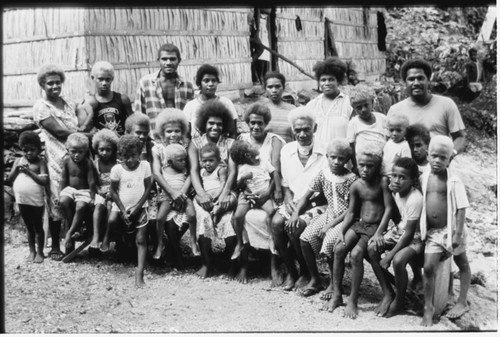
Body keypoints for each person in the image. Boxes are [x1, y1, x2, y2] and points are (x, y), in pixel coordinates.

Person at [327, 144, 393, 319]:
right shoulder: (357, 185)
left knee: (356, 254)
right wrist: (342, 230)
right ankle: (337, 295)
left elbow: (388, 209)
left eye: (370, 166)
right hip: (360, 224)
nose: (365, 169)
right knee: (339, 249)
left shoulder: (383, 183)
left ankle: (353, 300)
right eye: (362, 165)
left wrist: (379, 232)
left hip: (374, 227)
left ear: (377, 166)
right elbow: (351, 212)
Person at [32, 64, 87, 261]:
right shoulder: (41, 107)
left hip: (76, 158)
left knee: (78, 195)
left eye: (57, 82)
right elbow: (60, 132)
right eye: (50, 83)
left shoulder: (68, 102)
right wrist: (86, 135)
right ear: (42, 84)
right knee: (56, 198)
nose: (55, 86)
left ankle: (73, 238)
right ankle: (55, 245)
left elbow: (83, 118)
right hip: (55, 159)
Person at [271, 106, 328, 291]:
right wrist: (288, 201)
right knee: (277, 223)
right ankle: (291, 271)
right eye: (298, 130)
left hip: (318, 203)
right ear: (292, 130)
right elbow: (286, 185)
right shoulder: (287, 150)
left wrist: (300, 207)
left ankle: (306, 272)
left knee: (295, 226)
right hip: (294, 202)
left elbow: (325, 190)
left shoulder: (325, 152)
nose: (302, 134)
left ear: (315, 128)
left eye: (306, 129)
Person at [420, 135, 471, 326]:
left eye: (443, 157)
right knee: (429, 266)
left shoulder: (454, 181)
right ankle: (428, 306)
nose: (437, 161)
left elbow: (461, 208)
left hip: (452, 230)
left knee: (462, 262)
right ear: (427, 155)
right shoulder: (424, 177)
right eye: (434, 156)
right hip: (434, 233)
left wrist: (457, 234)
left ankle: (462, 300)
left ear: (450, 159)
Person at [297, 139, 357, 298]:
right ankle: (315, 279)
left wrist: (330, 225)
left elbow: (352, 209)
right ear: (327, 156)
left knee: (330, 241)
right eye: (333, 157)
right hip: (329, 213)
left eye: (341, 158)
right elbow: (306, 195)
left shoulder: (352, 179)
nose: (336, 162)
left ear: (347, 160)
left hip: (345, 219)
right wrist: (296, 213)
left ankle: (333, 283)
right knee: (305, 238)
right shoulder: (323, 174)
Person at [367, 157, 424, 318]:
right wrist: (381, 233)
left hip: (415, 237)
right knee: (371, 249)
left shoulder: (415, 199)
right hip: (399, 230)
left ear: (413, 180)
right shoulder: (395, 191)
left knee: (398, 260)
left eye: (403, 177)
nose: (397, 180)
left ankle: (399, 301)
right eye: (394, 175)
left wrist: (389, 257)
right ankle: (388, 292)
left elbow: (409, 234)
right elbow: (394, 214)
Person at [188, 100, 238, 278]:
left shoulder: (231, 143)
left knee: (228, 219)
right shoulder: (196, 143)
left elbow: (232, 172)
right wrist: (201, 195)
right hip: (203, 191)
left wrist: (224, 195)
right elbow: (193, 171)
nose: (215, 127)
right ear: (203, 123)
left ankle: (233, 263)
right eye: (211, 123)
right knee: (202, 218)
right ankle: (207, 262)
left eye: (219, 123)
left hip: (226, 190)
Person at [237, 102, 285, 284]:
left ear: (266, 123)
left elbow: (276, 170)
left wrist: (270, 193)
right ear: (247, 123)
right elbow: (236, 170)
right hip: (247, 190)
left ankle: (274, 266)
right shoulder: (241, 140)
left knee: (272, 218)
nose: (256, 126)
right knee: (239, 216)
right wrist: (244, 190)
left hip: (269, 189)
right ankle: (243, 265)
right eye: (252, 123)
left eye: (260, 123)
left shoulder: (274, 140)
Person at [387, 59, 467, 160]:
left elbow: (460, 137)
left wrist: (451, 154)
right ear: (405, 82)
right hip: (407, 168)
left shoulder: (446, 104)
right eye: (411, 79)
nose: (416, 83)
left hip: (437, 165)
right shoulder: (395, 111)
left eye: (420, 78)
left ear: (428, 80)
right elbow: (388, 140)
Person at [108, 135, 153, 288]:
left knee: (141, 239)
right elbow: (113, 191)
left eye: (133, 155)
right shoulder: (117, 169)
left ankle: (139, 272)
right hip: (121, 206)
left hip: (140, 206)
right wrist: (122, 210)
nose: (130, 160)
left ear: (139, 153)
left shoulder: (145, 166)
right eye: (125, 156)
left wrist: (137, 207)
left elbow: (148, 188)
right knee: (112, 221)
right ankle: (121, 244)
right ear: (120, 155)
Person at [153, 140, 198, 267]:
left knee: (192, 215)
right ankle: (160, 243)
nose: (184, 162)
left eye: (185, 159)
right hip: (167, 198)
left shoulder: (184, 171)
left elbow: (190, 178)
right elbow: (156, 181)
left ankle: (193, 241)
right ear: (170, 162)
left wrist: (183, 194)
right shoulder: (163, 170)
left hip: (183, 197)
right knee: (160, 218)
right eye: (180, 160)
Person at [229, 140, 277, 260]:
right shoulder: (244, 168)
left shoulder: (263, 161)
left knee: (271, 211)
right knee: (238, 216)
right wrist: (243, 178)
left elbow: (274, 175)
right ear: (248, 155)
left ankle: (271, 238)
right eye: (250, 145)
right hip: (248, 196)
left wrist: (268, 193)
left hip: (263, 194)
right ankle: (240, 243)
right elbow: (238, 187)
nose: (254, 145)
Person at [134, 43, 194, 138]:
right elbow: (139, 116)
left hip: (179, 141)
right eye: (164, 59)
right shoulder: (145, 83)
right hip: (154, 141)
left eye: (173, 59)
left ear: (179, 61)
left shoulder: (187, 86)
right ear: (158, 60)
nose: (169, 62)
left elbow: (190, 117)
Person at [8, 131, 49, 263]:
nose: (29, 153)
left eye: (32, 150)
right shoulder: (18, 161)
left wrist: (28, 172)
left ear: (39, 149)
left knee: (37, 226)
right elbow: (10, 179)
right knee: (29, 227)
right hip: (22, 199)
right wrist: (17, 169)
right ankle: (31, 251)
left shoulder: (40, 163)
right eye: (25, 150)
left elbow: (44, 182)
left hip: (36, 200)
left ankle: (40, 252)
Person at [59, 133, 97, 255]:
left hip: (84, 191)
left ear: (86, 151)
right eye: (73, 151)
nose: (77, 155)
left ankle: (70, 232)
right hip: (70, 189)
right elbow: (63, 178)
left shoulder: (88, 163)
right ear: (67, 150)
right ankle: (75, 227)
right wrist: (60, 193)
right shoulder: (66, 161)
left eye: (80, 152)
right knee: (63, 202)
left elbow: (91, 181)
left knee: (80, 206)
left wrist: (92, 198)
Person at [183, 64, 238, 139]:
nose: (211, 84)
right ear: (199, 83)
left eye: (214, 81)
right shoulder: (190, 106)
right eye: (206, 81)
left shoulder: (226, 103)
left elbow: (233, 131)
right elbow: (186, 134)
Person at [306, 57, 352, 146]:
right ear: (319, 82)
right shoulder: (312, 105)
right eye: (323, 80)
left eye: (331, 79)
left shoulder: (348, 103)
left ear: (338, 81)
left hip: (340, 155)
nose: (327, 83)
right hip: (317, 156)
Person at [79, 61, 134, 135]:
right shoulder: (90, 102)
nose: (104, 83)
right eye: (100, 79)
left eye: (107, 79)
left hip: (121, 142)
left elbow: (134, 123)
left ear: (112, 79)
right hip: (100, 144)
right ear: (93, 78)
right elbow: (84, 127)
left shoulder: (123, 99)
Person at [89, 129, 119, 252]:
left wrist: (112, 193)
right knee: (99, 206)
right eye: (102, 149)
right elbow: (94, 183)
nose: (105, 152)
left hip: (114, 193)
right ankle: (96, 237)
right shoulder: (95, 164)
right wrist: (98, 192)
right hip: (100, 191)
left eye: (108, 150)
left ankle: (106, 238)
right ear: (96, 149)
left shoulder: (117, 164)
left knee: (110, 207)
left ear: (113, 150)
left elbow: (119, 183)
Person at [346, 84, 387, 171]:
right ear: (353, 108)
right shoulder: (353, 123)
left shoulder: (382, 118)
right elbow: (351, 147)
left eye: (366, 105)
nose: (363, 109)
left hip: (383, 161)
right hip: (364, 165)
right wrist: (355, 165)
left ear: (372, 103)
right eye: (359, 107)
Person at [262, 71, 296, 143]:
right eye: (270, 87)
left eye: (277, 86)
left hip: (287, 152)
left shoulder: (292, 110)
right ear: (265, 89)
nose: (274, 90)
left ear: (283, 88)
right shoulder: (261, 110)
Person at [198, 143, 227, 224]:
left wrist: (218, 195)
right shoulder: (201, 172)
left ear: (218, 160)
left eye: (211, 160)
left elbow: (223, 183)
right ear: (200, 161)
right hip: (208, 197)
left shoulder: (220, 169)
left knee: (231, 200)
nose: (207, 163)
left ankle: (217, 210)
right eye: (204, 161)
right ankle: (212, 213)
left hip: (219, 194)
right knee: (197, 199)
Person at [381, 111, 412, 176]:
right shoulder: (388, 143)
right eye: (391, 130)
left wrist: (399, 162)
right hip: (384, 174)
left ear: (406, 131)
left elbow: (407, 165)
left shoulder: (404, 146)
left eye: (398, 130)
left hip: (396, 176)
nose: (394, 134)